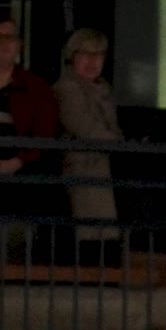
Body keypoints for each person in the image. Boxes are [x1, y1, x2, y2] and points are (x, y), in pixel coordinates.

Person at [0, 15, 59, 238]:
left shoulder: (36, 87)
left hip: (20, 175)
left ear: (19, 45)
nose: (3, 43)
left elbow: (44, 133)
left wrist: (17, 162)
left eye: (9, 38)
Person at [54, 26, 123, 250]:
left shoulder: (103, 89)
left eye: (99, 54)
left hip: (104, 157)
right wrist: (122, 146)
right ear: (72, 56)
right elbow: (84, 128)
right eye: (86, 54)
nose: (93, 61)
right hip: (82, 162)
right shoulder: (67, 88)